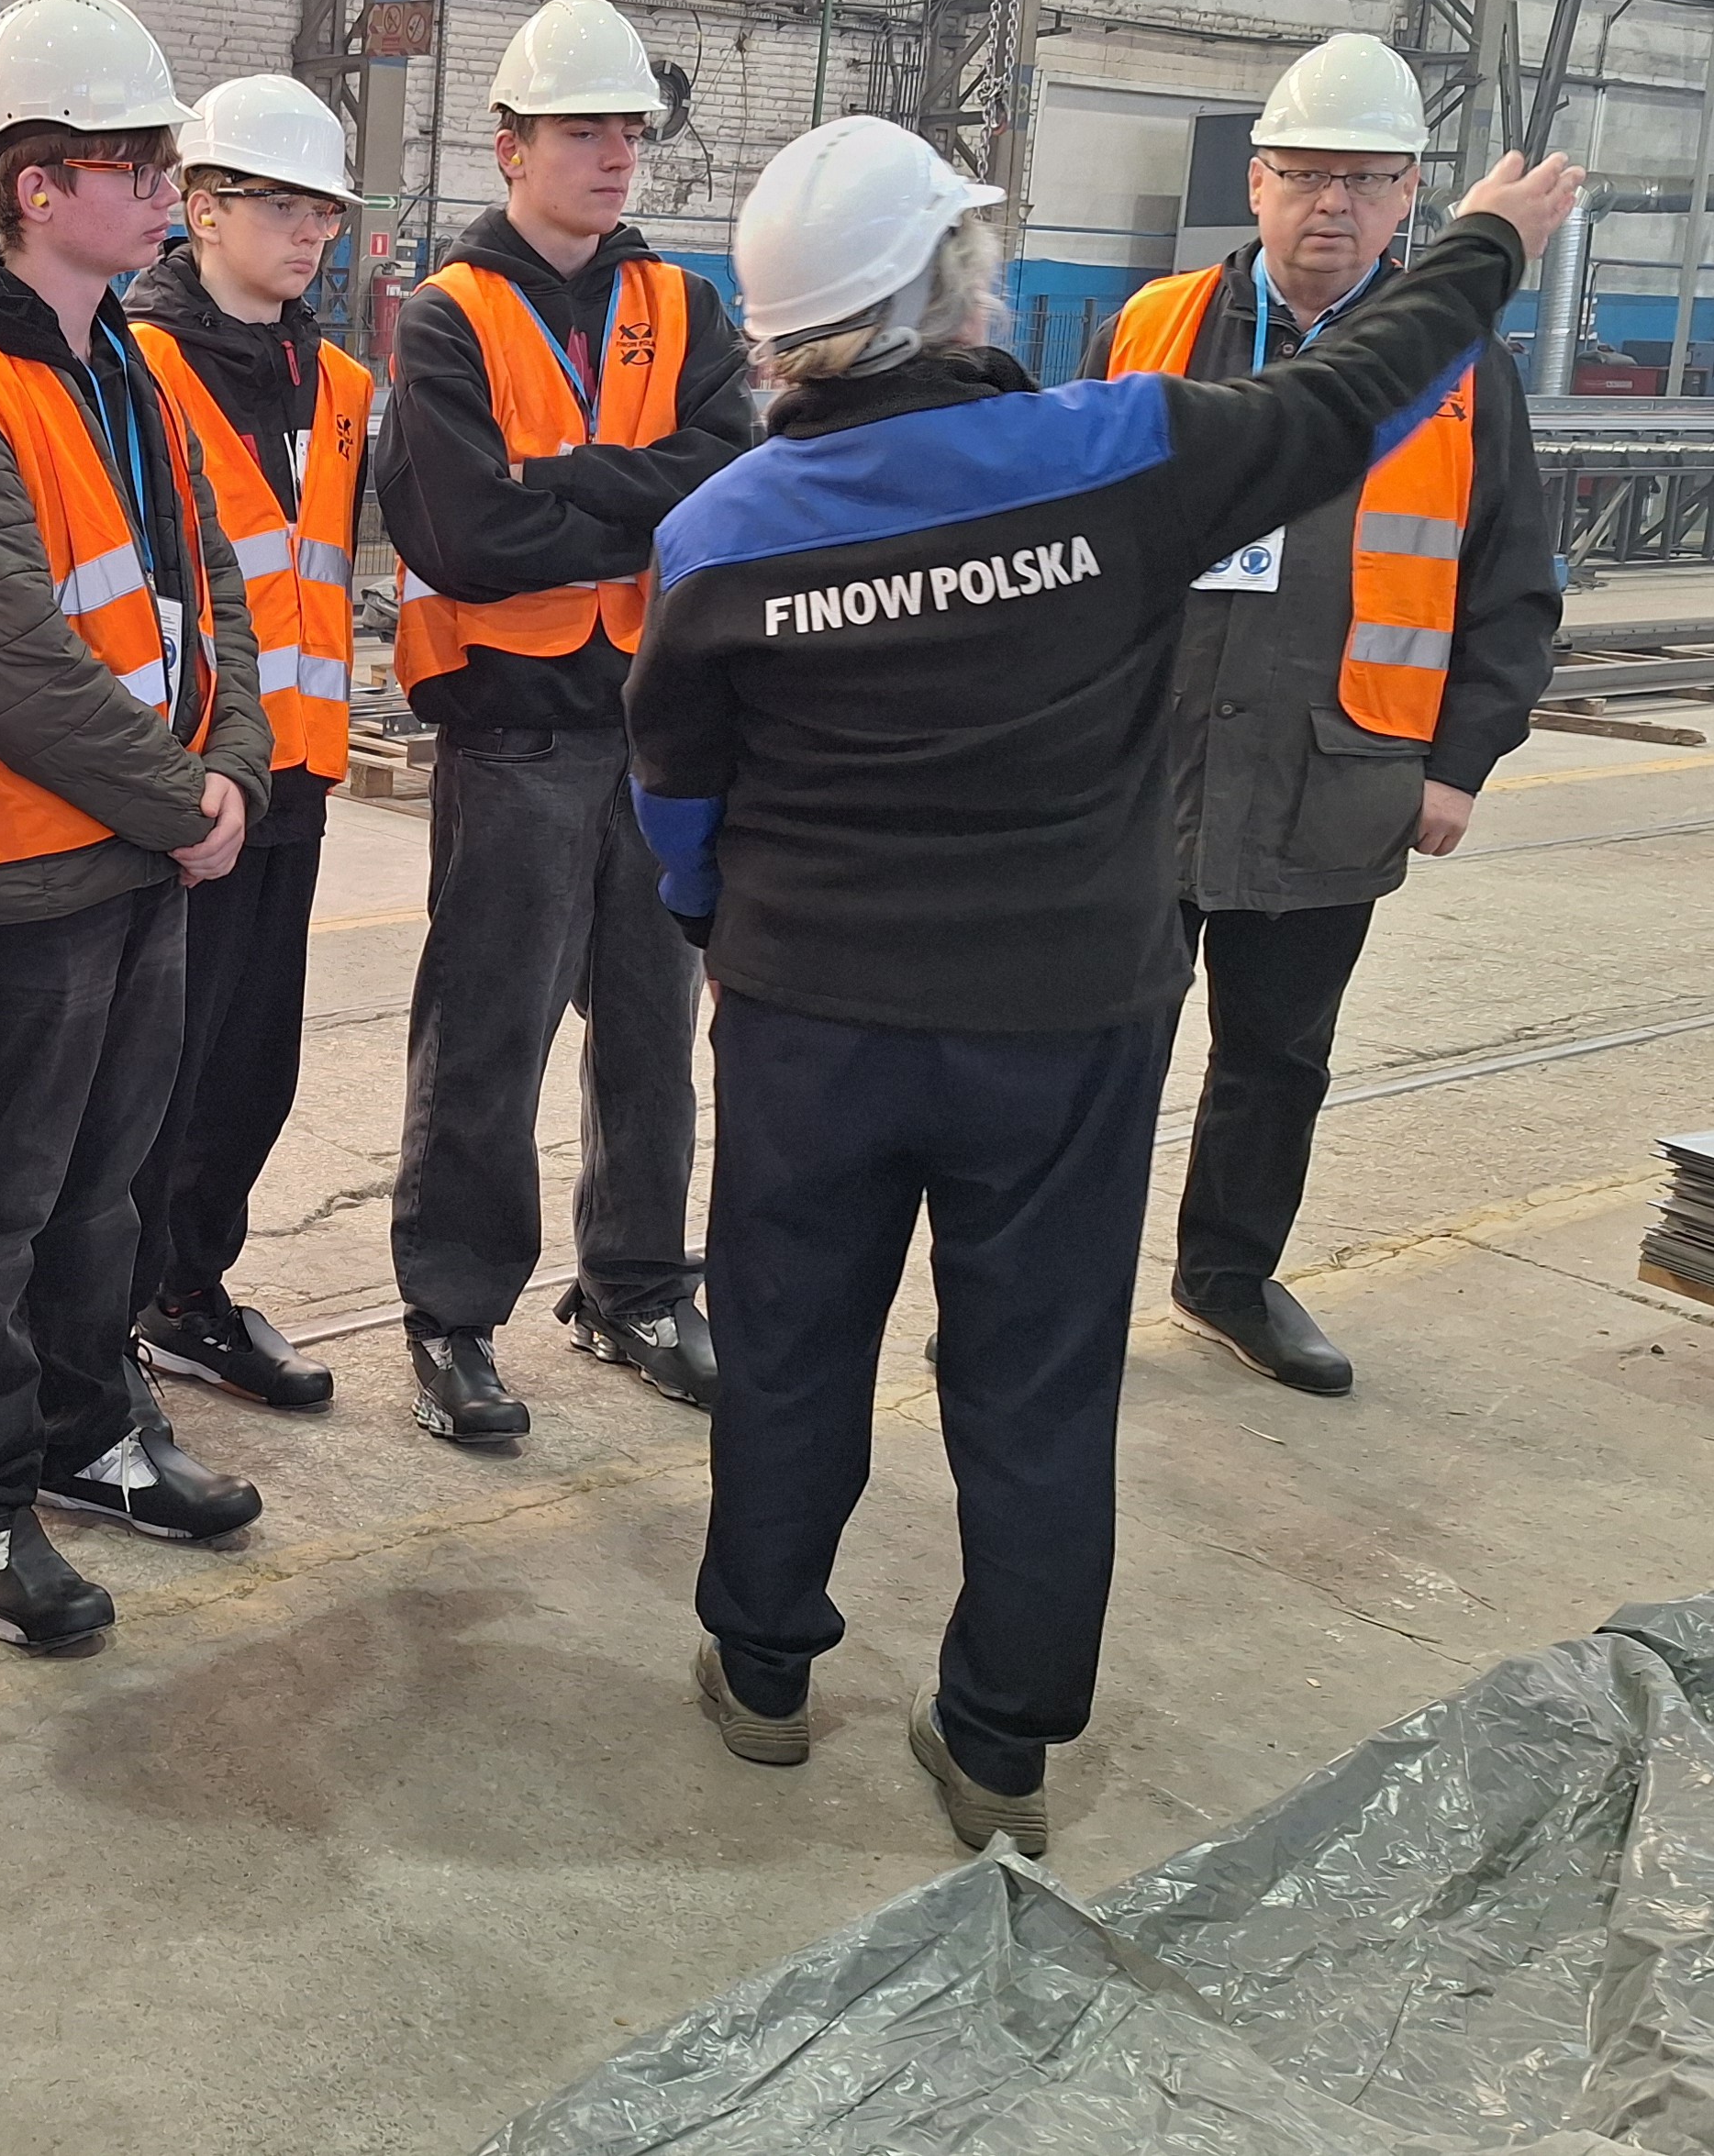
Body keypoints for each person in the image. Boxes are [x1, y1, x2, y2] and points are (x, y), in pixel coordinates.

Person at [625, 115, 1581, 1856]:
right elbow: (1352, 390)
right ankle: (1000, 1745)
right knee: (1040, 1377)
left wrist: (728, 934)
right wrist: (1487, 244)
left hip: (810, 1020)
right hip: (1062, 1022)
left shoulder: (715, 534)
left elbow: (677, 797)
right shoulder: (1122, 451)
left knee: (789, 1348)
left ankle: (762, 1672)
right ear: (954, 288)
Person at [0, 0, 273, 1652]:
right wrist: (185, 797)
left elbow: (214, 579)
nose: (170, 191)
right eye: (139, 166)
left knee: (107, 1185)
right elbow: (9, 656)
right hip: (22, 877)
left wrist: (234, 765)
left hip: (141, 853)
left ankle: (88, 1436)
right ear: (39, 186)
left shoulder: (129, 369)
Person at [1097, 36, 1558, 1396]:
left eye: (1365, 179)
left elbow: (1511, 584)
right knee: (1095, 1048)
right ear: (1256, 182)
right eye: (1305, 175)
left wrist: (1459, 762)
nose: (1332, 205)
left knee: (1277, 1056)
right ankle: (1051, 1288)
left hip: (1333, 768)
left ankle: (1229, 1277)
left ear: (1411, 193)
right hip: (1141, 764)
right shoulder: (1154, 324)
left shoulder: (1464, 364)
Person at [373, 0, 753, 1442]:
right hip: (514, 731)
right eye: (583, 129)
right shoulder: (447, 319)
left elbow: (733, 483)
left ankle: (637, 1288)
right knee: (489, 1036)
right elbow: (467, 537)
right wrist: (640, 497)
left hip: (658, 726)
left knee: (655, 1031)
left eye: (629, 132)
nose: (614, 155)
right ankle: (454, 1318)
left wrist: (566, 478)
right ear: (510, 146)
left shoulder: (687, 309)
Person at [124, 75, 372, 1413]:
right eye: (281, 204)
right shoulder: (134, 368)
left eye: (324, 210)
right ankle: (103, 1319)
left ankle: (185, 1291)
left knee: (250, 1071)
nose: (311, 233)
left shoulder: (338, 386)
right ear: (202, 208)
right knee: (149, 1079)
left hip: (299, 777)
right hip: (185, 786)